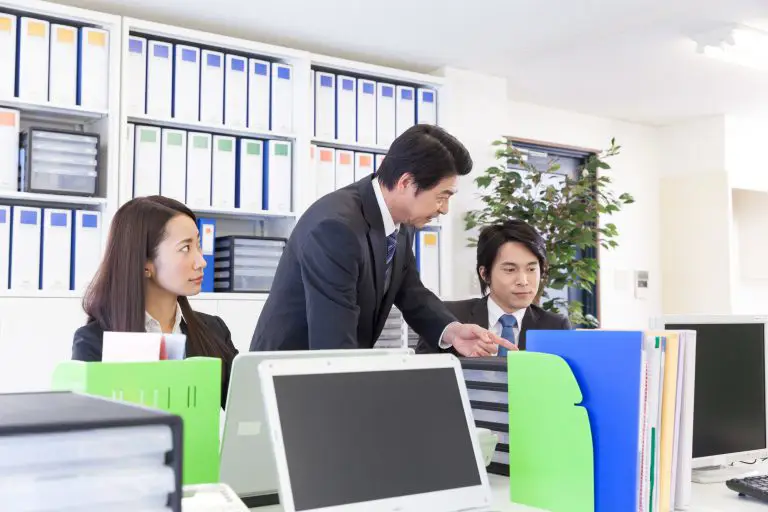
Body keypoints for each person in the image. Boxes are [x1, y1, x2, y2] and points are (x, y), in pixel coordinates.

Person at [251, 125, 513, 356]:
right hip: (289, 375)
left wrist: (453, 331)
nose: (444, 209)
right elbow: (332, 340)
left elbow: (411, 292)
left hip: (331, 368)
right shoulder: (335, 228)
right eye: (442, 196)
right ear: (406, 182)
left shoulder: (401, 222)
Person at [71, 196, 238, 407]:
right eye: (185, 248)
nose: (201, 261)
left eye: (198, 245)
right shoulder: (95, 343)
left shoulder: (214, 331)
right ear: (145, 264)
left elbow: (247, 414)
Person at [416, 219, 572, 355]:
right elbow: (422, 379)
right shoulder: (450, 317)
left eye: (531, 269)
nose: (523, 281)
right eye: (510, 270)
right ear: (485, 274)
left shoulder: (555, 327)